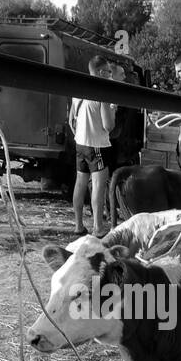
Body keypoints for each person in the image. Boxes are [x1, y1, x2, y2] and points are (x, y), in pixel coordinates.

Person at [69, 56, 117, 236]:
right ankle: (98, 228)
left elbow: (71, 119)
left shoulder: (79, 90)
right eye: (108, 72)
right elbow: (108, 126)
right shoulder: (102, 93)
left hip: (80, 144)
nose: (109, 75)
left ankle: (78, 225)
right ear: (99, 72)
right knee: (98, 185)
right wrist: (112, 109)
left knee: (80, 183)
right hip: (97, 145)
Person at [106, 61, 145, 171]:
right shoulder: (111, 92)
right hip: (111, 138)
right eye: (121, 74)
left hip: (117, 138)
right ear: (113, 75)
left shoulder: (119, 91)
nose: (124, 77)